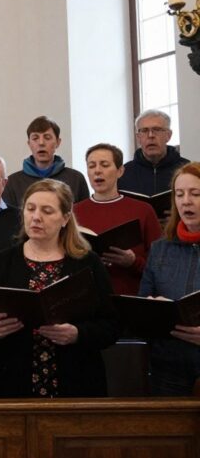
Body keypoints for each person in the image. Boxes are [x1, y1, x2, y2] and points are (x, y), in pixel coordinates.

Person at [0, 179, 118, 398]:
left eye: (47, 211)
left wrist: (78, 334)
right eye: (30, 209)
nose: (36, 217)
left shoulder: (87, 263)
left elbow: (111, 325)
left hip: (76, 379)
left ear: (65, 218)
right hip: (14, 379)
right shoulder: (1, 262)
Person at [137, 162, 200, 395]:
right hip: (168, 365)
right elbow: (142, 301)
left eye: (195, 194)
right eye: (179, 194)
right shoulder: (160, 249)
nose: (186, 201)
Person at [73, 143, 161, 296]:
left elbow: (161, 264)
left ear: (120, 171)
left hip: (131, 296)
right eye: (91, 166)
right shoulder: (74, 211)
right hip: (89, 298)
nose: (97, 171)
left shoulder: (143, 210)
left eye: (105, 165)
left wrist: (133, 262)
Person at [2, 116, 89, 208]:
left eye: (47, 138)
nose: (41, 143)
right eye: (35, 138)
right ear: (29, 144)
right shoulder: (13, 183)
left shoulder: (76, 179)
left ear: (58, 142)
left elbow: (83, 217)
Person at [119, 109, 191, 204]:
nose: (151, 135)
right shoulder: (123, 173)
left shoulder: (188, 169)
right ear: (138, 138)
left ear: (168, 135)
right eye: (144, 131)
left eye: (157, 129)